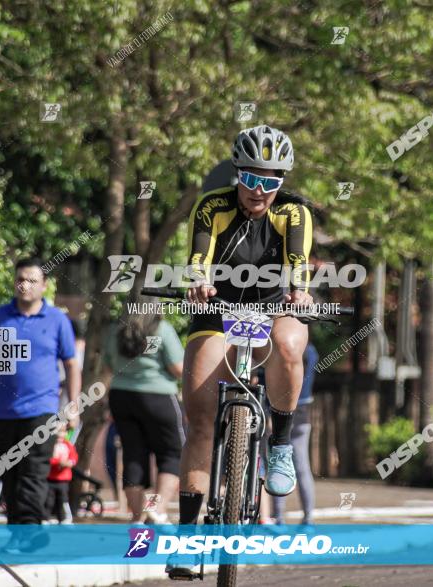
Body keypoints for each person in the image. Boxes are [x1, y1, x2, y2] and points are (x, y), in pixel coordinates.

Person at [168, 125, 312, 578]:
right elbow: (198, 258)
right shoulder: (212, 206)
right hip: (217, 307)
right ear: (238, 175)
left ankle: (282, 442)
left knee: (291, 344)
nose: (260, 190)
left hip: (274, 308)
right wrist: (198, 281)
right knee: (201, 418)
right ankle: (189, 537)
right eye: (252, 178)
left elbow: (299, 263)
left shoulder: (294, 211)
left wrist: (301, 293)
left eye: (271, 181)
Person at [0, 258, 80, 541]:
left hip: (41, 410)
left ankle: (28, 532)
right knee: (11, 475)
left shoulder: (57, 320)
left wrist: (73, 405)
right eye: (20, 279)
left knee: (33, 472)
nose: (24, 285)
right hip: (0, 412)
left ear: (44, 286)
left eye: (30, 280)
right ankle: (20, 534)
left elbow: (71, 364)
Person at [102, 313, 185, 524]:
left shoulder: (115, 329)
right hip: (158, 397)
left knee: (133, 455)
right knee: (172, 454)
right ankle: (156, 510)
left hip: (121, 397)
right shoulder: (162, 329)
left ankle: (138, 516)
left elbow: (108, 367)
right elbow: (178, 368)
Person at [271, 342, 319, 525]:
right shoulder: (311, 351)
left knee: (276, 463)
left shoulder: (281, 347)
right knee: (302, 468)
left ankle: (279, 517)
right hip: (303, 412)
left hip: (280, 410)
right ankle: (308, 517)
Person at [45, 429, 78, 524]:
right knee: (48, 500)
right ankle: (45, 517)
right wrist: (58, 462)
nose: (60, 434)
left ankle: (64, 518)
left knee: (63, 500)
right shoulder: (50, 445)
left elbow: (74, 457)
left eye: (62, 431)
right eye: (57, 431)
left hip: (63, 479)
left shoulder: (68, 445)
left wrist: (70, 462)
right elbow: (48, 458)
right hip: (50, 478)